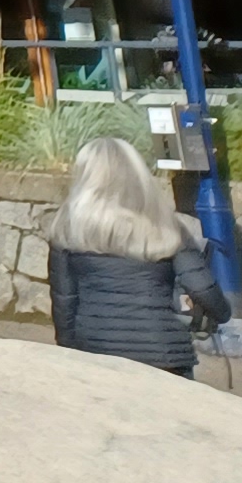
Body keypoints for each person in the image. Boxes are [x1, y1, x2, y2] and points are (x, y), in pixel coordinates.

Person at [47, 134, 228, 374]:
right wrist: (222, 313)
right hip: (164, 351)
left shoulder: (67, 229)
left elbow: (65, 303)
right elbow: (202, 288)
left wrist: (70, 350)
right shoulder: (166, 226)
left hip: (96, 349)